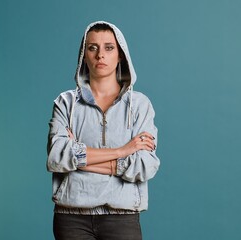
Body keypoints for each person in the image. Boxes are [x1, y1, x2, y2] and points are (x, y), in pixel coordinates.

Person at [46, 20, 160, 240]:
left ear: (120, 55)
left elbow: (146, 166)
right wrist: (123, 151)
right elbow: (56, 157)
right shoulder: (65, 103)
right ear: (84, 55)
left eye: (109, 48)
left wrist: (79, 157)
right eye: (92, 48)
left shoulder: (140, 105)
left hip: (122, 217)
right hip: (71, 218)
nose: (100, 55)